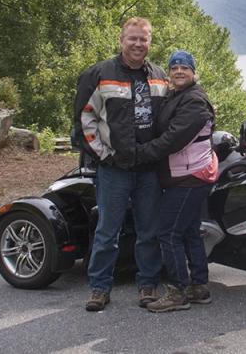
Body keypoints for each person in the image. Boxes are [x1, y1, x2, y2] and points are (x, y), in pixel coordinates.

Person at [73, 17, 168, 312]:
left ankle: (148, 284)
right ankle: (100, 288)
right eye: (133, 38)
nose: (138, 44)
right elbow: (83, 119)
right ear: (121, 40)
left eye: (144, 39)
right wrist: (104, 155)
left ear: (150, 42)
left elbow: (169, 119)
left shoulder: (160, 76)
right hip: (114, 168)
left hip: (149, 168)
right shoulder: (100, 73)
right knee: (107, 231)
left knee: (148, 230)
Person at [135, 50, 218, 312]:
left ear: (194, 72)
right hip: (187, 173)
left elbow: (173, 139)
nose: (179, 71)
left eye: (185, 67)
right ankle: (199, 287)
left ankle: (177, 291)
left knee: (168, 232)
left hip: (189, 176)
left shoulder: (194, 102)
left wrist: (139, 153)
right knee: (190, 230)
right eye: (174, 67)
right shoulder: (178, 96)